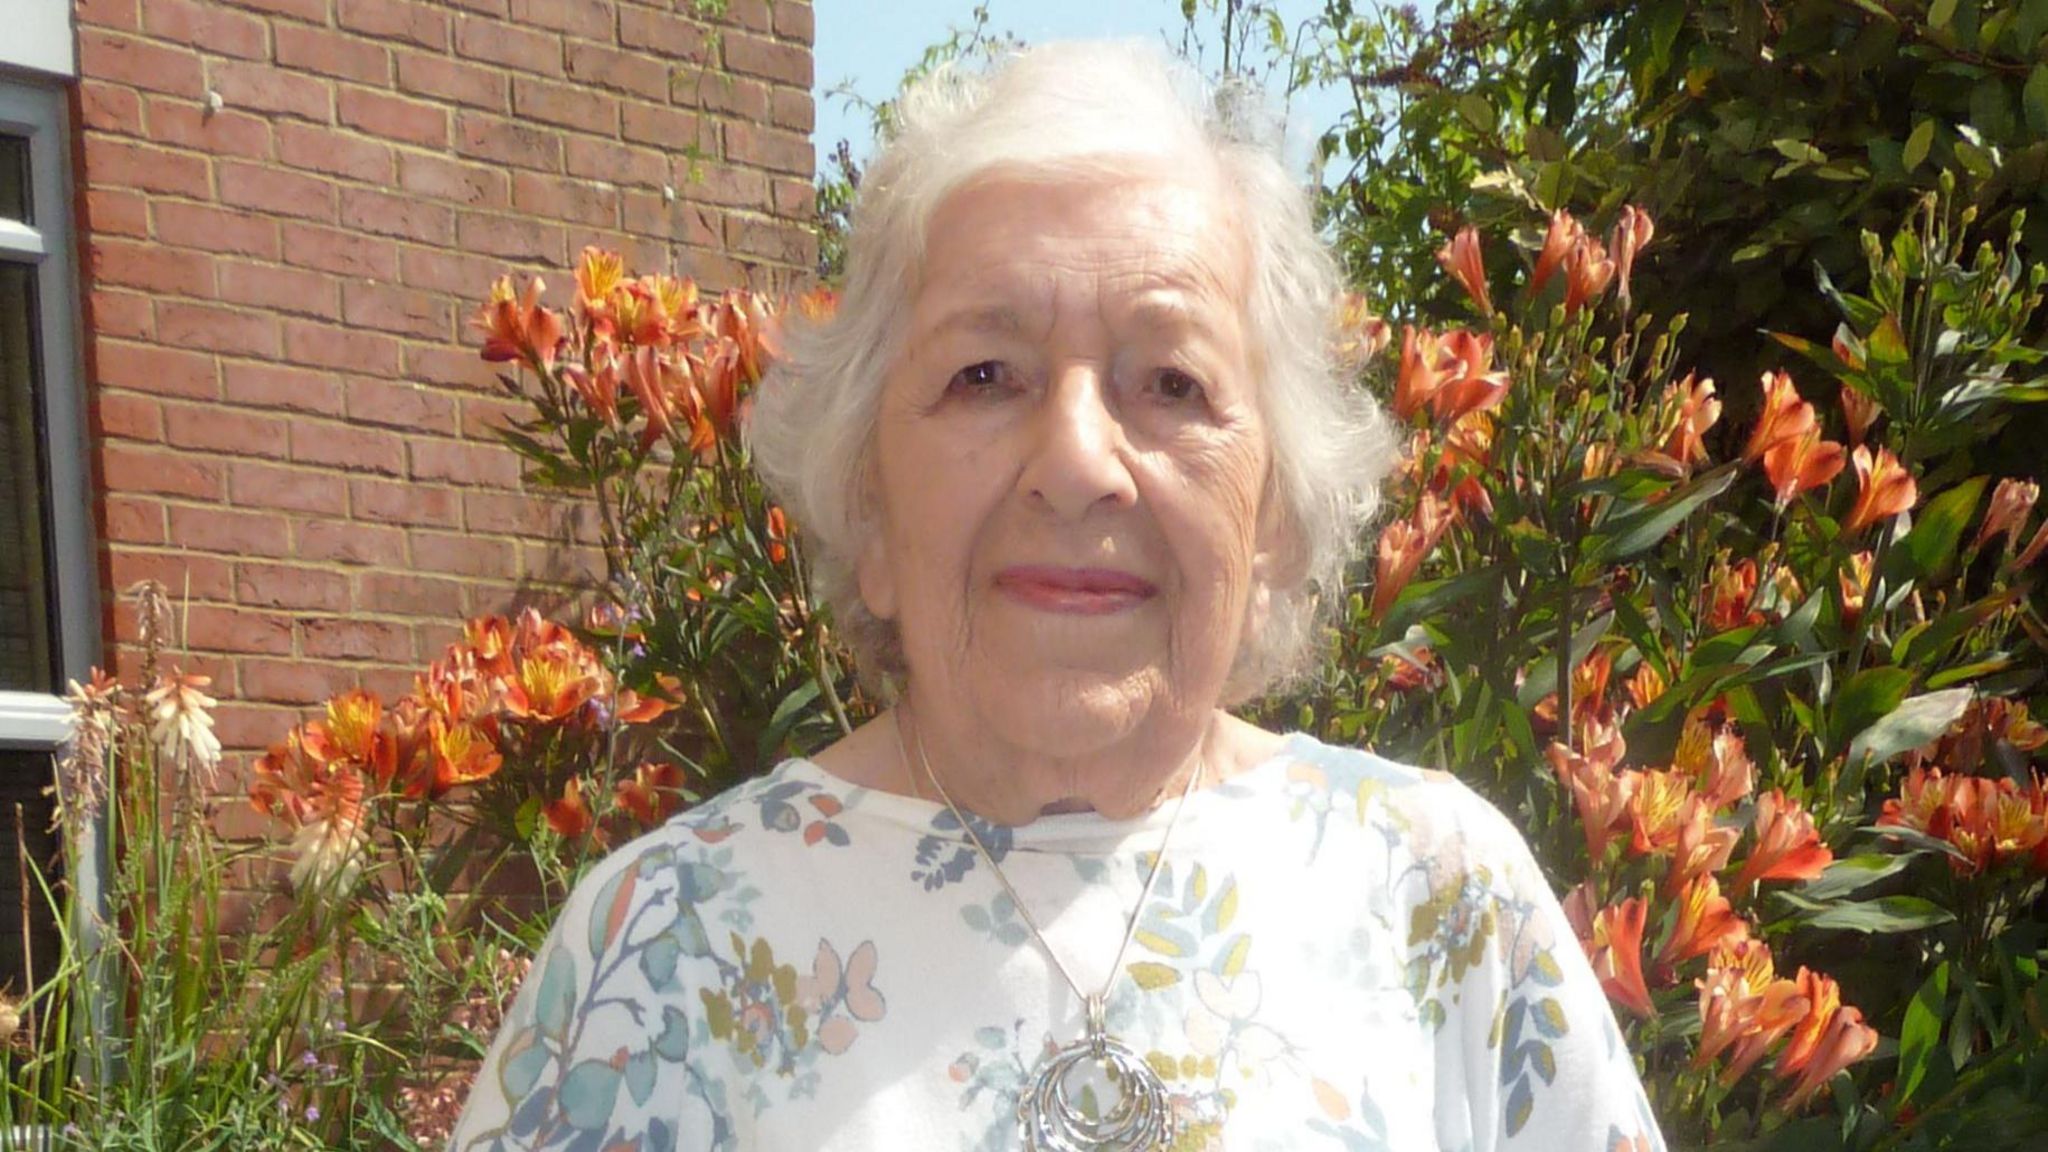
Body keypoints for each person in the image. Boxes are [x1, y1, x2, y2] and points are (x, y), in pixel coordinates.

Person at [448, 40, 1666, 1152]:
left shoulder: (1441, 903)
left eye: (1172, 384)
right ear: (867, 502)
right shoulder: (660, 953)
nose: (1078, 463)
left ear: (1274, 515)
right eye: (984, 374)